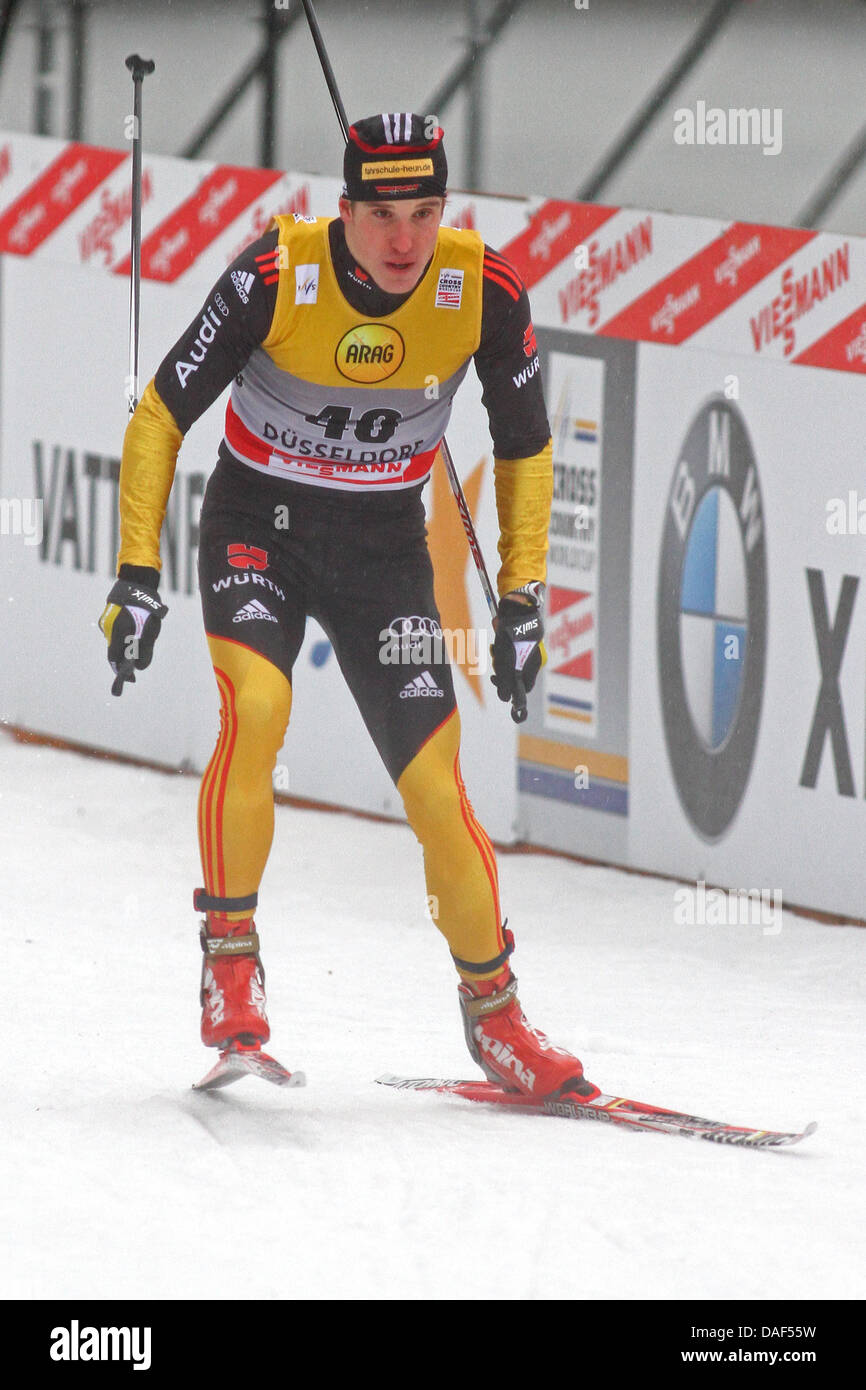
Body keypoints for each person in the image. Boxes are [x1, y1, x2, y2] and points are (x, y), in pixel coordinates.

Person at [99, 113, 598, 1102]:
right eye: (380, 214)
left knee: (435, 789)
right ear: (343, 211)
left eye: (422, 212)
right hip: (259, 531)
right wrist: (136, 570)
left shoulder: (481, 290)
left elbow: (524, 440)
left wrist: (526, 591)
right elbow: (160, 413)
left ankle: (496, 1017)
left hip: (381, 555)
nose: (403, 239)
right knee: (258, 709)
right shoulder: (274, 275)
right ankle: (230, 960)